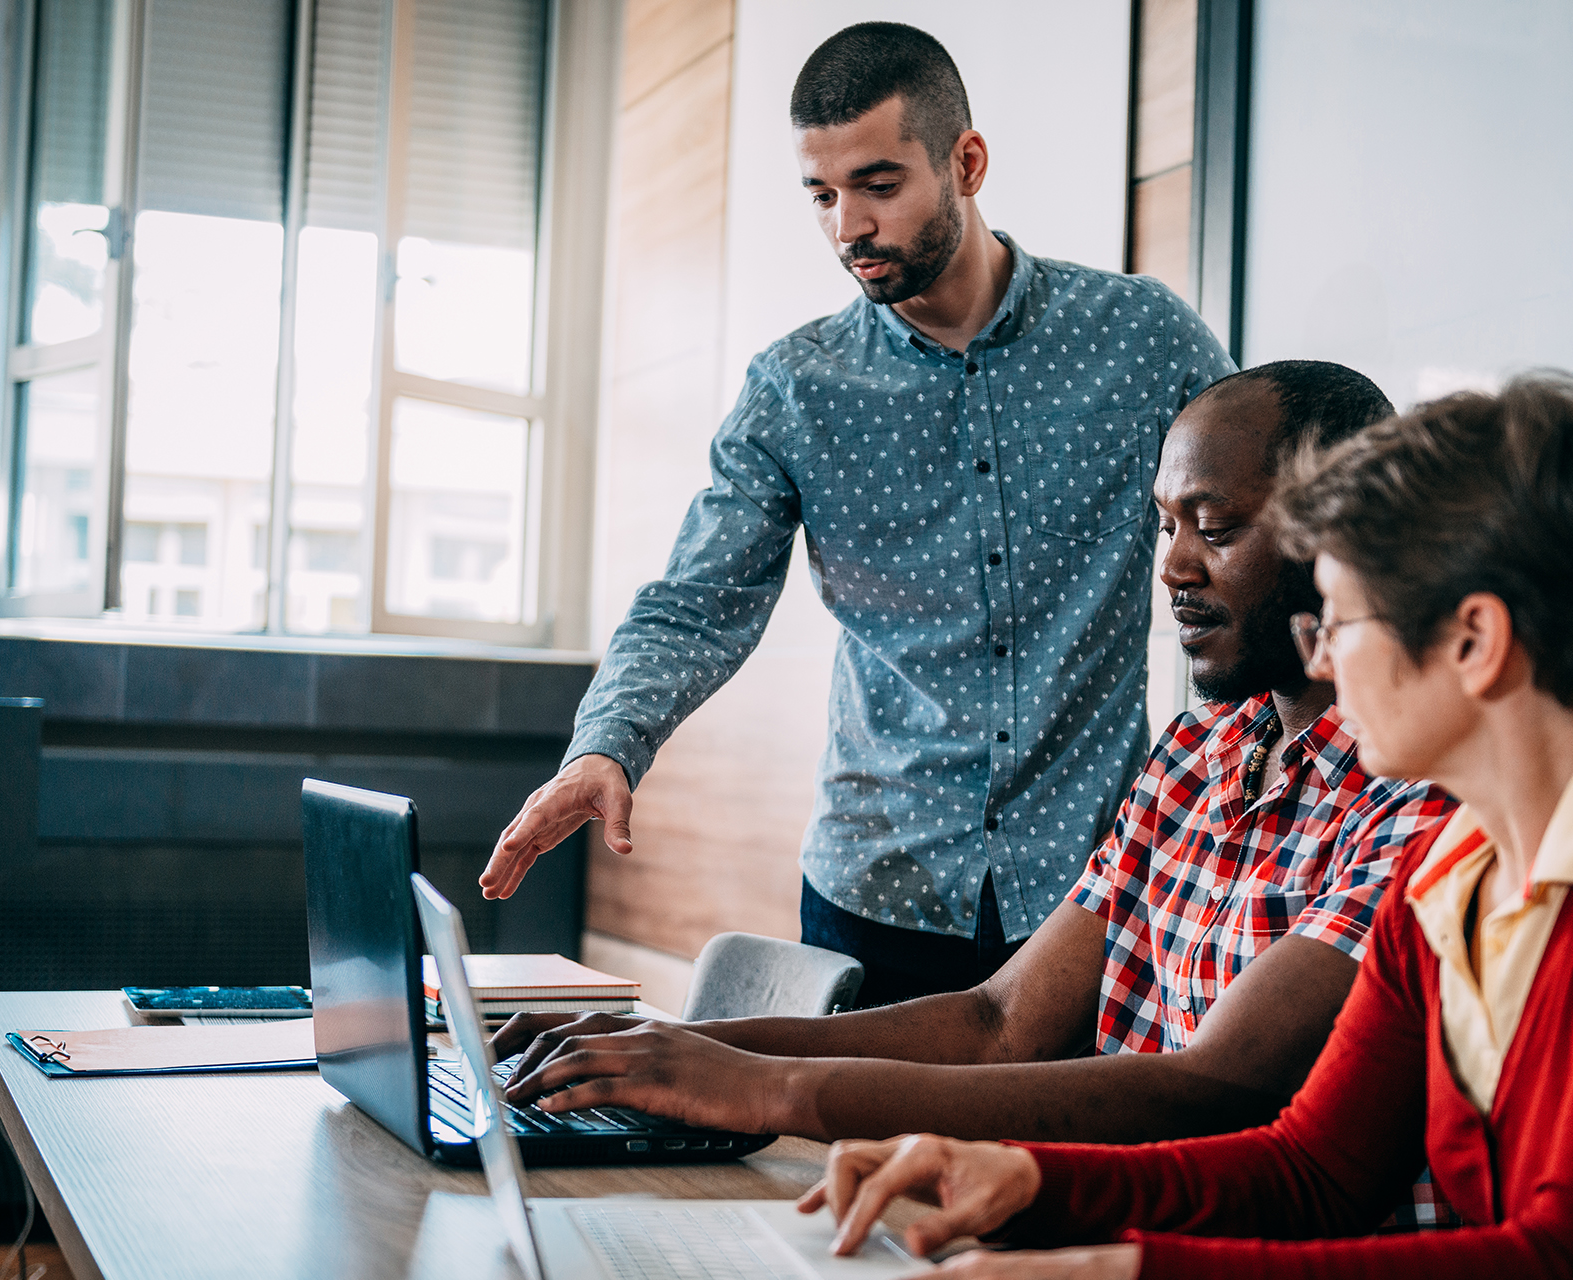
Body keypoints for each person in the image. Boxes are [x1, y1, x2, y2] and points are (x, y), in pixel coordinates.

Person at [808, 372, 1573, 1277]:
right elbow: (1311, 1167)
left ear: (1474, 640)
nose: (1324, 660)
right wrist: (1026, 1177)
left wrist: (1120, 1268)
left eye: (1337, 621)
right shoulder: (1454, 863)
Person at [492, 362, 1457, 1225]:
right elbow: (1001, 1022)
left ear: (1341, 536)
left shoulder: (1419, 797)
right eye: (1164, 524)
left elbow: (1219, 1087)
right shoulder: (1201, 752)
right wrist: (665, 1044)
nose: (1171, 566)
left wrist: (769, 1089)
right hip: (1117, 1231)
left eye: (1216, 528)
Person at [477, 22, 1235, 1004]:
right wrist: (605, 743)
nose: (848, 226)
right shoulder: (795, 387)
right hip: (877, 893)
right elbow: (696, 601)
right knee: (855, 1163)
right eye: (823, 194)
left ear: (966, 162)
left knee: (1060, 1162)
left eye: (879, 185)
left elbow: (1262, 524)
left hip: (1096, 887)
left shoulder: (1140, 338)